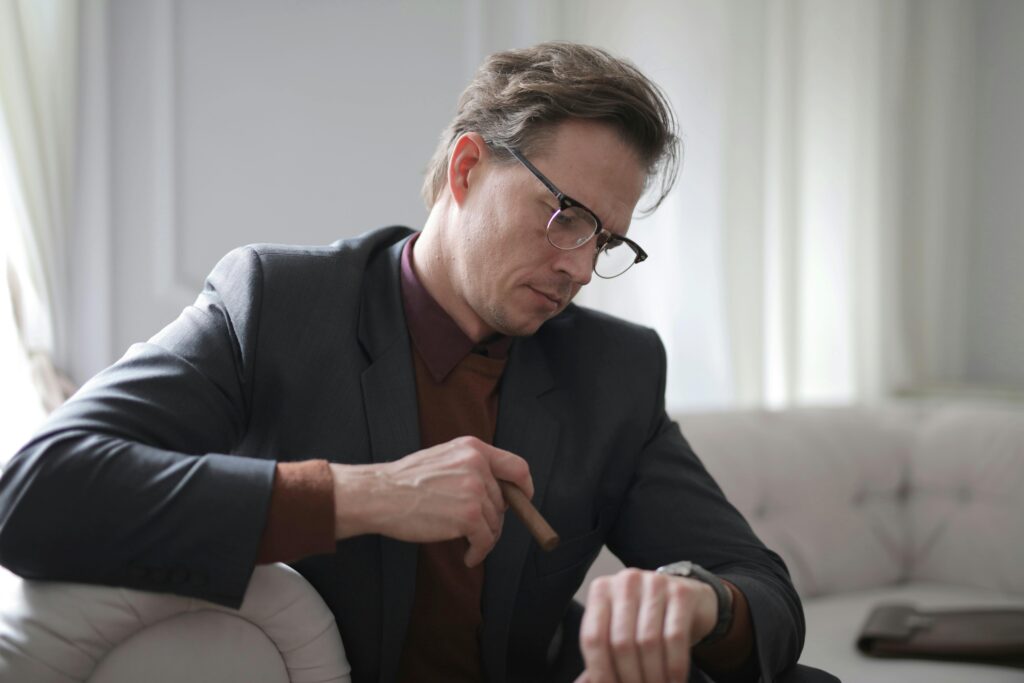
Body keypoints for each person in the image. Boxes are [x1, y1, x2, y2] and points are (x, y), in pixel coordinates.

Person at [0, 42, 806, 682]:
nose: (581, 267)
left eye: (607, 239)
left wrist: (697, 606)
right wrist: (366, 493)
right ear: (465, 170)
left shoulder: (613, 370)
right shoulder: (278, 304)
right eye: (566, 217)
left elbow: (765, 593)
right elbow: (34, 490)